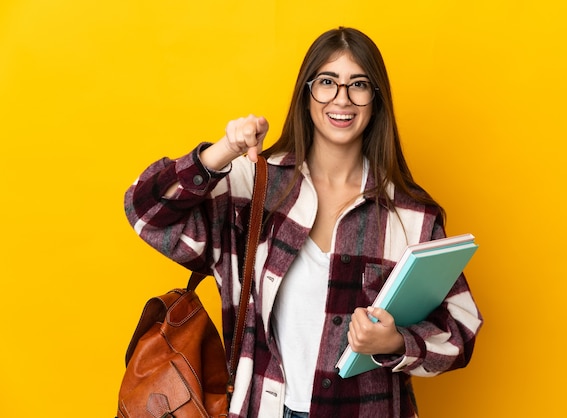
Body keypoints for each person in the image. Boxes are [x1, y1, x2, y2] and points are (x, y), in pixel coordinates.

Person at [125, 26, 482, 418]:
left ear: (376, 100)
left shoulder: (412, 215)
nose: (341, 99)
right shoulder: (254, 186)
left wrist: (396, 341)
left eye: (358, 85)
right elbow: (146, 214)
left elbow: (461, 329)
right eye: (327, 82)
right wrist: (222, 152)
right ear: (307, 93)